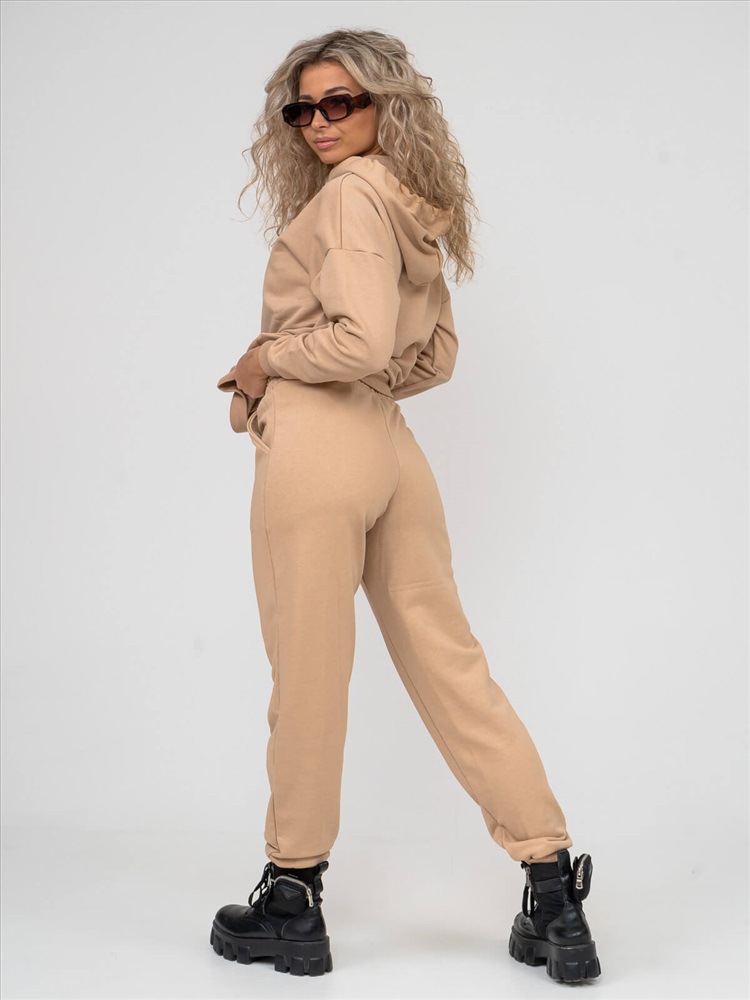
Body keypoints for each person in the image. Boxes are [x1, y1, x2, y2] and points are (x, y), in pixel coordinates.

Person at [210, 28, 601, 984]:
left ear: (387, 106)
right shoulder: (410, 207)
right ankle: (552, 887)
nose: (317, 123)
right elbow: (432, 357)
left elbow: (353, 342)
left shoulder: (348, 199)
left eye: (339, 103)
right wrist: (363, 381)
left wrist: (265, 361)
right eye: (302, 109)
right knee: (451, 661)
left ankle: (292, 895)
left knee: (309, 667)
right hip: (390, 447)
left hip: (320, 446)